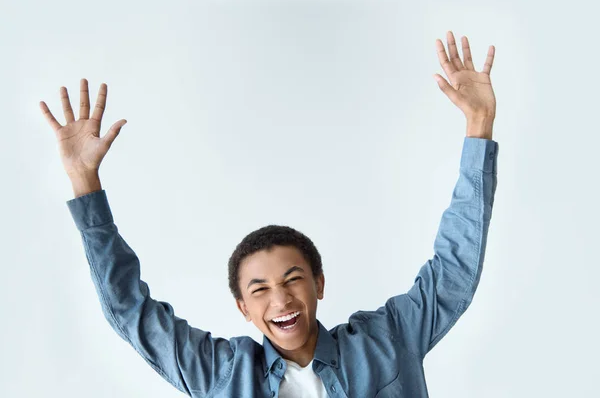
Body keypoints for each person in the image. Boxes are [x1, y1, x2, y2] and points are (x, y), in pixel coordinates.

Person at [40, 30, 498, 398]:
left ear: (319, 283)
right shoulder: (221, 374)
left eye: (292, 279)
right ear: (243, 308)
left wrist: (479, 127)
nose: (280, 300)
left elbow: (453, 272)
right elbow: (130, 309)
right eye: (259, 289)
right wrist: (85, 182)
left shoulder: (387, 341)